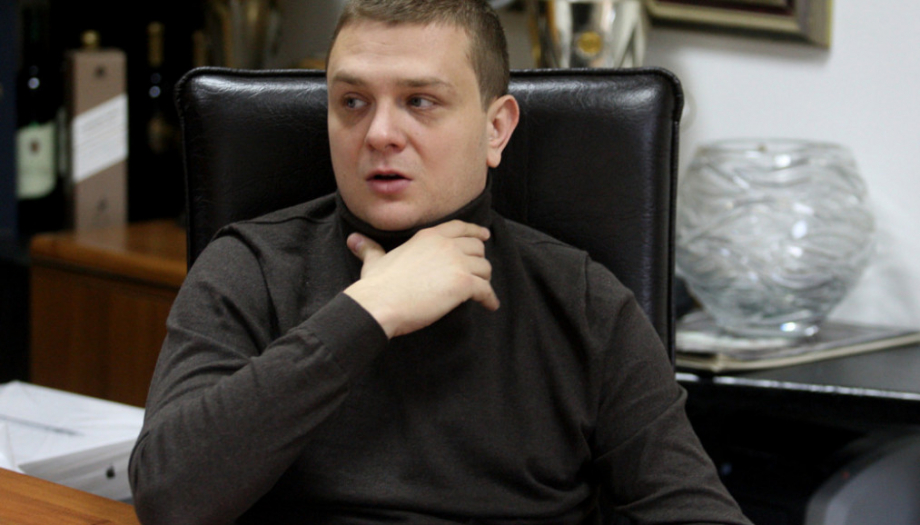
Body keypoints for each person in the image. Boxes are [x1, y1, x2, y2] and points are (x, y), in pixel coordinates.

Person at [129, 1, 752, 524]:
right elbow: (168, 498)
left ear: (496, 129)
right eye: (352, 102)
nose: (379, 133)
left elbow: (694, 511)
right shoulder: (251, 267)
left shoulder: (583, 301)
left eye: (420, 101)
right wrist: (368, 312)